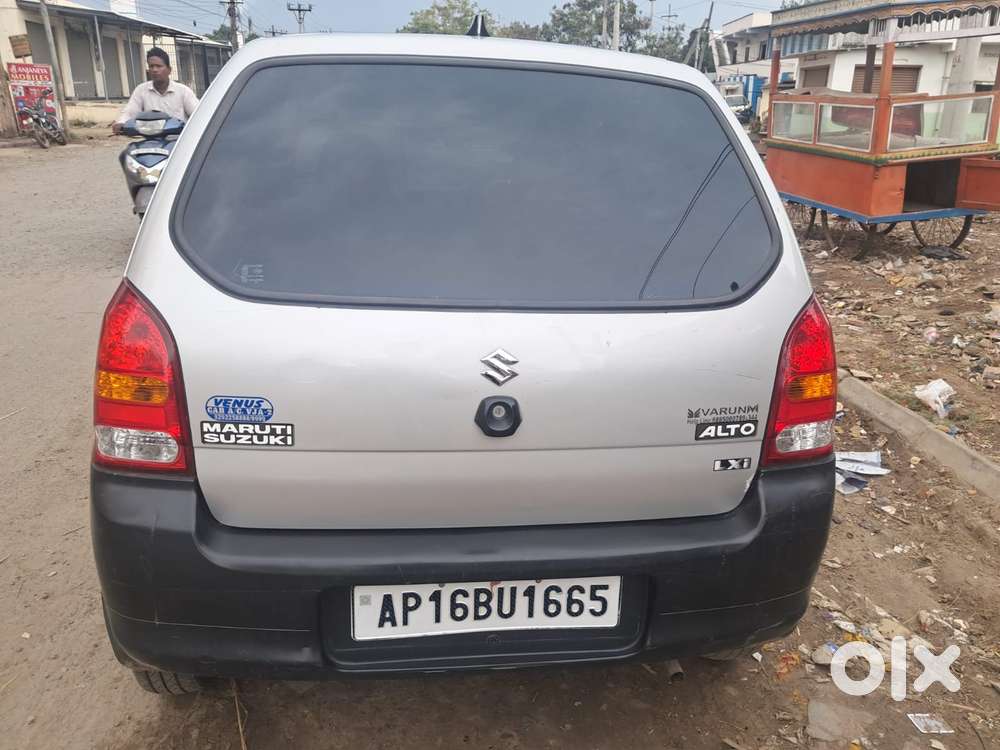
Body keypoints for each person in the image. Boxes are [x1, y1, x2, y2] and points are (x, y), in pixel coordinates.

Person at [112, 47, 198, 134]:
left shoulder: (183, 91)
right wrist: (121, 122)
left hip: (178, 140)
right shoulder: (141, 90)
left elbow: (197, 114)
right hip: (149, 139)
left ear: (169, 70)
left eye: (159, 66)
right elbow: (130, 112)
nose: (154, 70)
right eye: (151, 66)